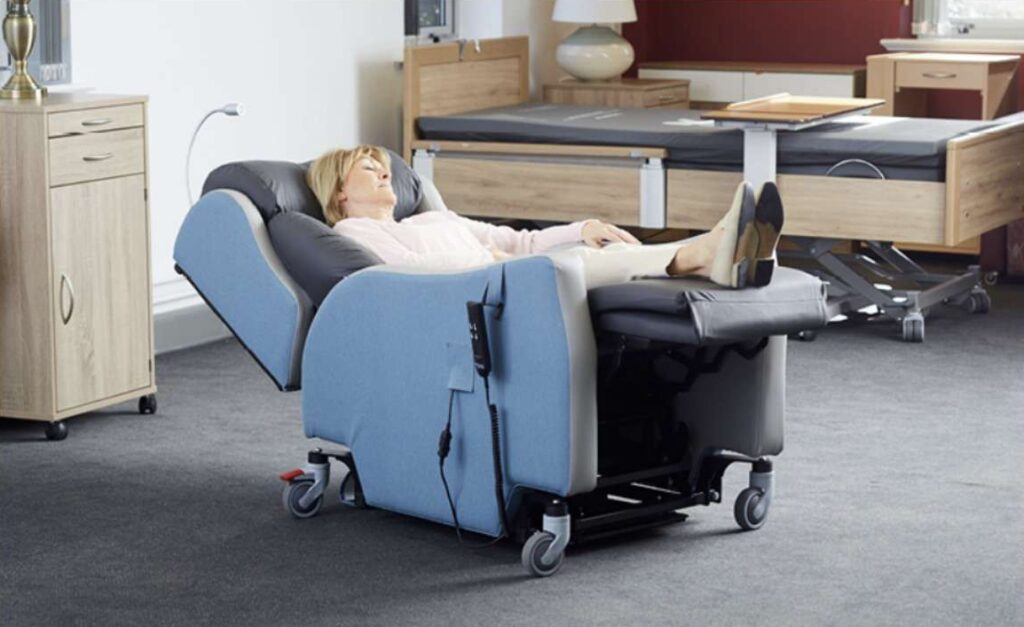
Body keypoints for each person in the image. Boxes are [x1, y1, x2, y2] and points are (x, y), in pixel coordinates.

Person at [306, 145, 783, 290]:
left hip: (509, 275)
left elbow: (517, 241)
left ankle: (714, 257)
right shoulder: (354, 231)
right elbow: (406, 277)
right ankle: (713, 244)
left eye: (385, 167)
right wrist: (484, 261)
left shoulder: (431, 219)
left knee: (600, 251)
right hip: (483, 294)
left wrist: (582, 227)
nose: (384, 174)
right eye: (367, 169)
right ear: (340, 192)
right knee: (576, 266)